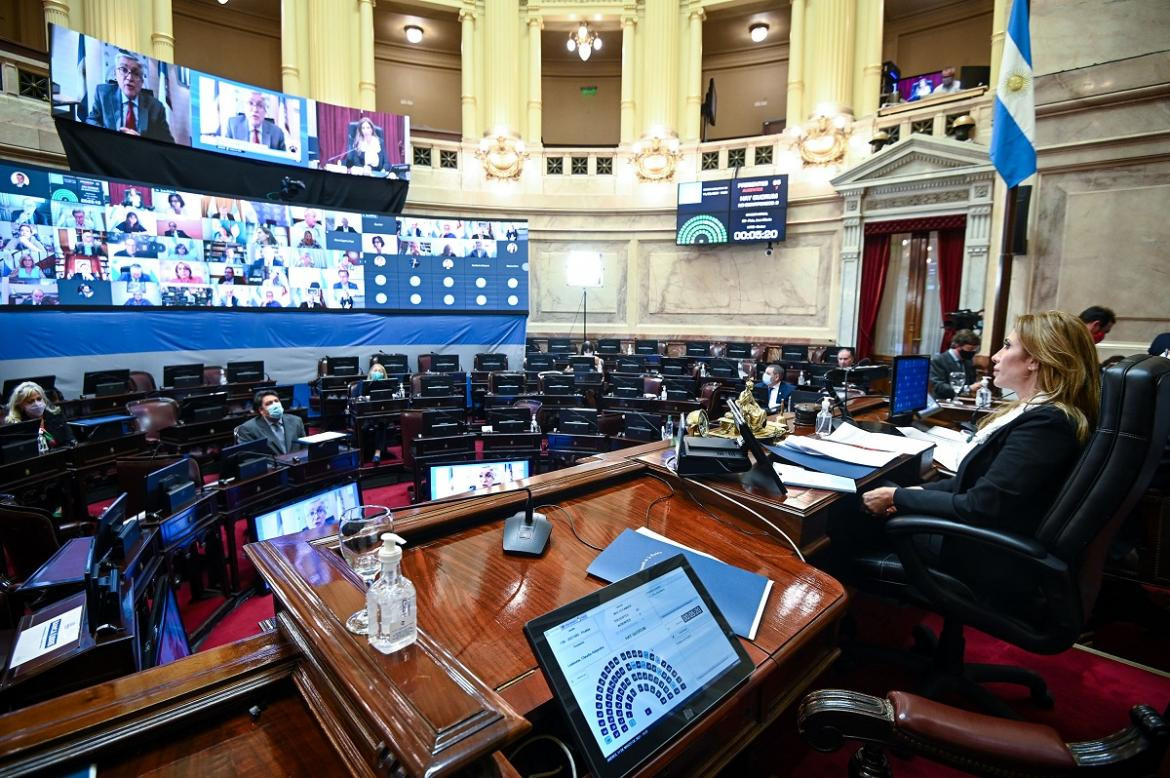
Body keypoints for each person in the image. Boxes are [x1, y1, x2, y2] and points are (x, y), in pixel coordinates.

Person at [854, 310, 1100, 540]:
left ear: (1035, 360)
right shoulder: (1044, 415)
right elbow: (972, 483)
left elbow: (980, 505)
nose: (995, 356)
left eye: (1007, 346)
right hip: (978, 530)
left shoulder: (1046, 425)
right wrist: (913, 492)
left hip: (976, 548)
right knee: (885, 488)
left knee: (852, 506)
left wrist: (896, 496)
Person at [86, 51, 174, 142]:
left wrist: (141, 142)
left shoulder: (156, 107)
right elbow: (91, 121)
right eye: (123, 70)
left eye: (136, 73)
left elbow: (168, 143)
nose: (129, 78)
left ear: (142, 82)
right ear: (115, 74)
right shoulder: (103, 94)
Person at [4, 381, 75, 449]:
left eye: (39, 399)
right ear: (20, 405)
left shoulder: (55, 414)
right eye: (31, 401)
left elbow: (70, 438)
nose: (37, 404)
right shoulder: (17, 426)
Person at [235, 389, 305, 456]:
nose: (275, 405)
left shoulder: (296, 421)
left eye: (276, 401)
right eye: (269, 403)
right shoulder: (248, 429)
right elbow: (249, 458)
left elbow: (305, 447)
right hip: (272, 467)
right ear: (261, 410)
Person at [929, 329, 980, 399]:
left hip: (964, 401)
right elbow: (939, 386)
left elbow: (971, 381)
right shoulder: (939, 361)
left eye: (975, 349)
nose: (972, 352)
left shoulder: (968, 361)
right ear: (958, 346)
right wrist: (967, 389)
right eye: (970, 348)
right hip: (944, 401)